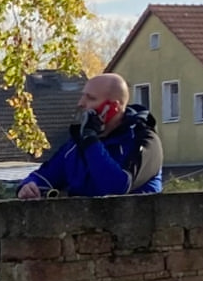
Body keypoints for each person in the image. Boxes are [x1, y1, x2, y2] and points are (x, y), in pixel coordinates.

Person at [17, 73, 164, 199]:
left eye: (91, 98)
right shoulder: (76, 145)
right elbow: (44, 176)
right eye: (82, 96)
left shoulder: (144, 140)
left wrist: (91, 141)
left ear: (113, 107)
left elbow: (116, 187)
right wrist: (28, 186)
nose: (81, 103)